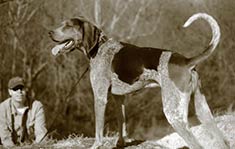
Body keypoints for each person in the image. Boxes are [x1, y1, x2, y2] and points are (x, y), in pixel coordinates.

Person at [0, 76, 47, 147]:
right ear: (10, 92)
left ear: (26, 90)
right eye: (15, 89)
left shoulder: (37, 106)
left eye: (22, 88)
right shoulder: (2, 108)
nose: (19, 91)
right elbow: (5, 137)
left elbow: (41, 134)